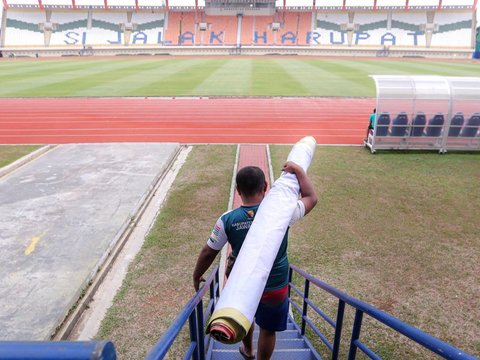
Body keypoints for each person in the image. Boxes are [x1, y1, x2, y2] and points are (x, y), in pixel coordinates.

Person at [193, 162, 317, 360]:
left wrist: (197, 275)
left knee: (243, 313)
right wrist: (300, 171)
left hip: (242, 284)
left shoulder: (228, 219)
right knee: (268, 330)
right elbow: (311, 198)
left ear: (238, 190)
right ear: (266, 186)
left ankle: (248, 350)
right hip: (275, 283)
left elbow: (209, 252)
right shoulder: (281, 213)